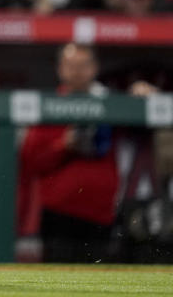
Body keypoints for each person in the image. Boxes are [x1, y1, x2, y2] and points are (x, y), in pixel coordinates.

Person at [18, 43, 118, 263]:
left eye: (83, 65)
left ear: (95, 68)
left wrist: (142, 93)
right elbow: (30, 161)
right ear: (60, 69)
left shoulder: (111, 102)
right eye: (71, 65)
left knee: (101, 283)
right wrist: (63, 145)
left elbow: (142, 129)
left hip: (101, 211)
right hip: (59, 212)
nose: (77, 71)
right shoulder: (48, 106)